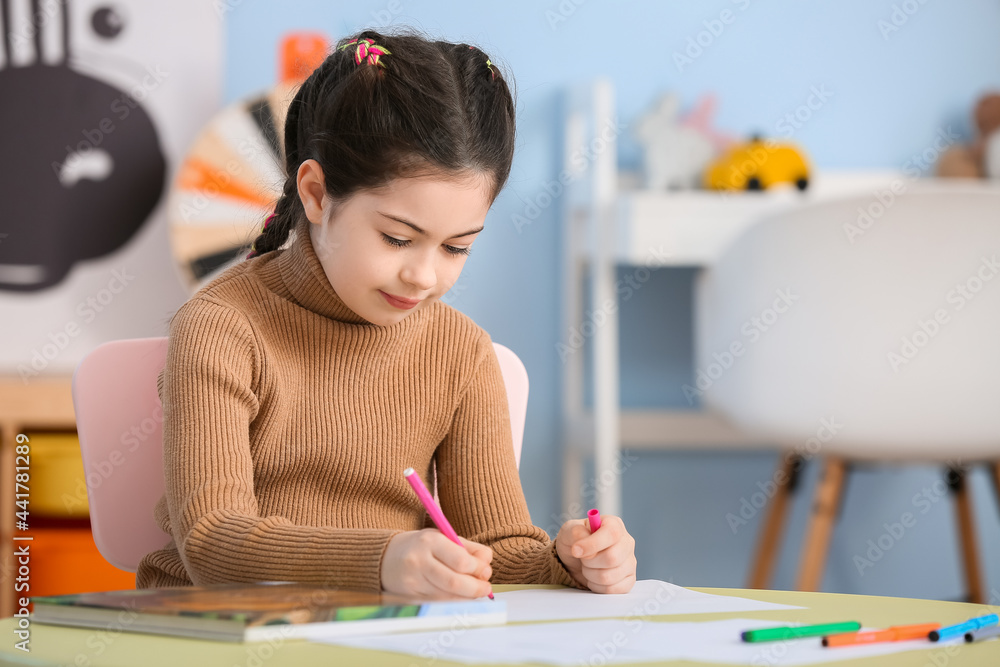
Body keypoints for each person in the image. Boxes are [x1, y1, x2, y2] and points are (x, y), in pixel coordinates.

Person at [136, 28, 637, 599]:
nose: (425, 277)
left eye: (456, 248)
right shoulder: (223, 326)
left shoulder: (460, 351)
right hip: (214, 629)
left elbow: (496, 549)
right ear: (317, 194)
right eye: (398, 239)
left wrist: (567, 563)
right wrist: (381, 559)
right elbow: (211, 543)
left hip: (380, 634)